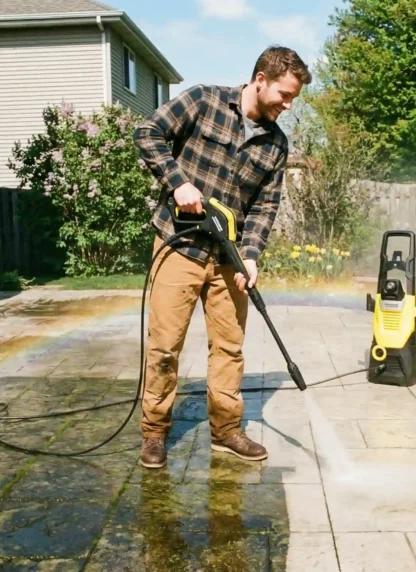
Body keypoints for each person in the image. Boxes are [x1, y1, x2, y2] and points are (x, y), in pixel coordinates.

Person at [132, 45, 311, 469]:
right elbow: (148, 133)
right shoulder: (204, 101)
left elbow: (266, 208)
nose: (288, 105)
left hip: (229, 259)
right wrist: (177, 183)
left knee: (229, 348)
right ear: (261, 79)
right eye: (284, 95)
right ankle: (155, 433)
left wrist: (250, 257)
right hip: (180, 246)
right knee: (164, 347)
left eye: (293, 99)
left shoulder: (276, 145)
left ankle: (227, 430)